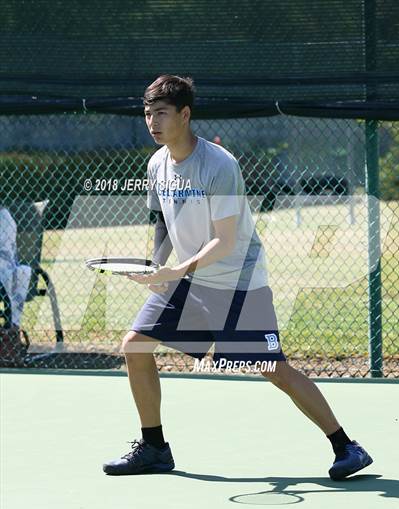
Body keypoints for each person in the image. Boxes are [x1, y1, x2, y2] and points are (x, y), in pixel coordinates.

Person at [103, 75, 373, 480]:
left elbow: (224, 240)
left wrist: (176, 270)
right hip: (190, 281)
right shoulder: (157, 163)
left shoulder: (219, 164)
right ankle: (155, 448)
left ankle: (346, 446)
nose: (152, 122)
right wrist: (156, 267)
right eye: (147, 113)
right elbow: (162, 221)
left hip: (237, 283)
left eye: (161, 113)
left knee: (273, 369)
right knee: (135, 346)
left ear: (185, 114)